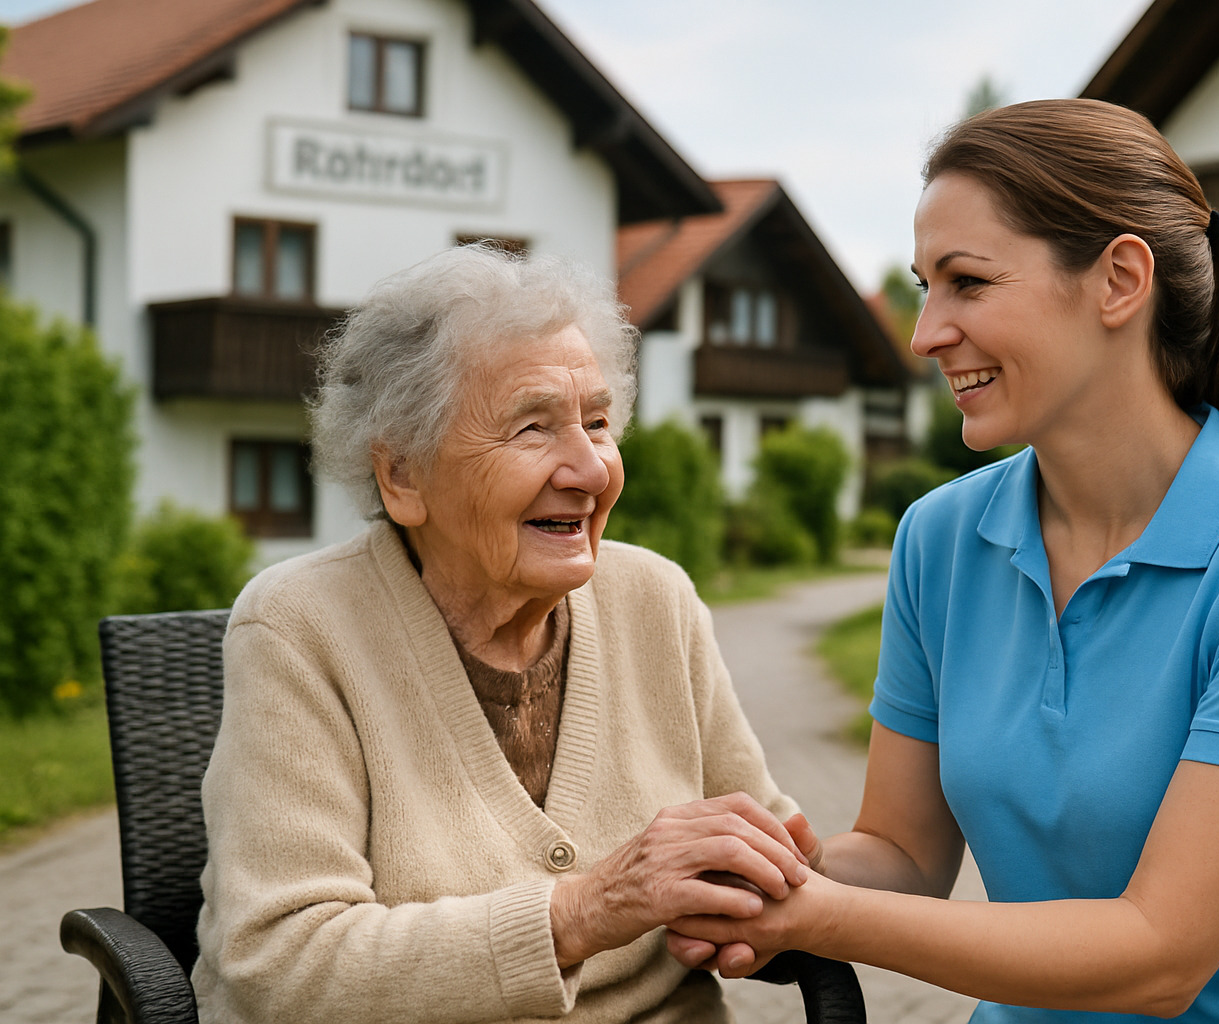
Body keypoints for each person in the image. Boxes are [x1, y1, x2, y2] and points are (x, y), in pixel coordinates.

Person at [667, 99, 1219, 1023]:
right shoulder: (940, 540)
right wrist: (766, 874)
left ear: (1118, 281)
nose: (925, 333)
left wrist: (825, 918)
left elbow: (1159, 956)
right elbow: (903, 856)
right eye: (923, 287)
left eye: (969, 283)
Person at [191, 244, 813, 1024]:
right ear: (403, 476)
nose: (589, 470)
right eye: (532, 428)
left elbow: (766, 845)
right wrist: (584, 911)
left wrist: (762, 901)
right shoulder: (299, 627)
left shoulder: (657, 599)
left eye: (597, 422)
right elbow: (281, 960)